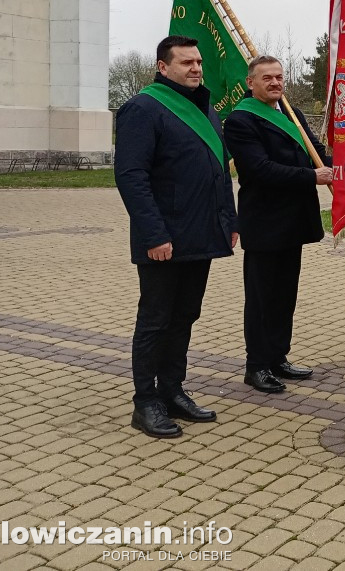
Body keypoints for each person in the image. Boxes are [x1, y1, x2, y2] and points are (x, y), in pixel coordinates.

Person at [115, 35, 238, 439]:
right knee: (155, 320)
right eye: (186, 63)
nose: (196, 69)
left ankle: (171, 390)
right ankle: (145, 402)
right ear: (162, 67)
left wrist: (230, 221)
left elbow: (219, 170)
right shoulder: (143, 108)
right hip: (163, 238)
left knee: (185, 315)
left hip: (200, 234)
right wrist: (153, 233)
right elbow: (131, 176)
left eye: (198, 62)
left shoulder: (206, 109)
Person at [224, 55, 333, 394]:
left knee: (285, 295)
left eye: (279, 77)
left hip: (294, 222)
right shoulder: (240, 120)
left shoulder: (291, 114)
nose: (275, 83)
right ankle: (256, 365)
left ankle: (278, 357)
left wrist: (342, 162)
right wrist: (311, 176)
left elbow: (317, 152)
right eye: (267, 77)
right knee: (261, 298)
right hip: (264, 224)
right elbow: (258, 170)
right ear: (250, 83)